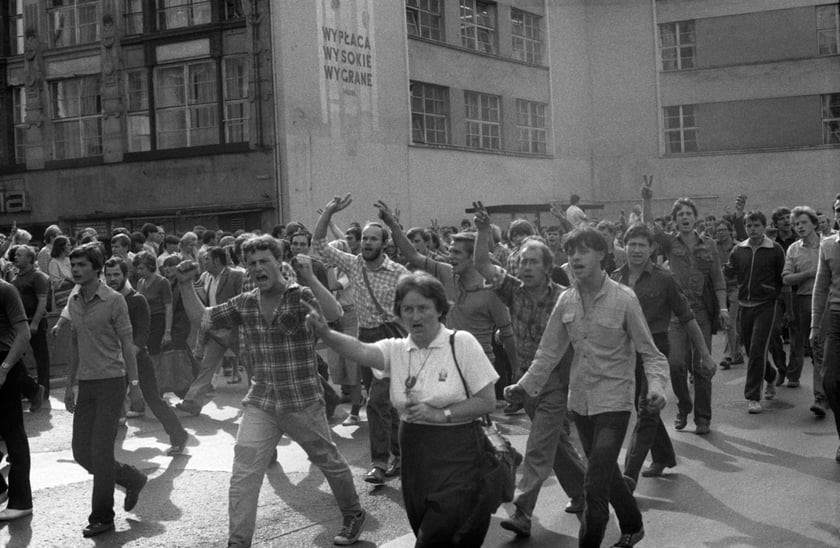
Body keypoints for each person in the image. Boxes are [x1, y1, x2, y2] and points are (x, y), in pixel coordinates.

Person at [175, 234, 366, 546]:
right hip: (261, 402)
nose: (258, 268)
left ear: (280, 262)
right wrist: (185, 285)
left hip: (301, 401)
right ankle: (238, 542)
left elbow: (334, 314)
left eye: (265, 261)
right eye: (252, 263)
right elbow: (204, 319)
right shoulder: (246, 302)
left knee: (328, 460)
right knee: (243, 474)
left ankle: (353, 513)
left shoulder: (299, 295)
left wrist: (309, 278)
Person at [504, 227, 668, 548]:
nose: (575, 258)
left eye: (583, 251)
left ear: (602, 255)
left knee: (594, 484)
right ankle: (633, 525)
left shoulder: (624, 299)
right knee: (604, 472)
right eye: (570, 252)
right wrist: (523, 387)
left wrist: (658, 387)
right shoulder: (566, 300)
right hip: (580, 402)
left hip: (615, 402)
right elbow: (548, 352)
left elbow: (650, 352)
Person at [308, 272, 498, 546]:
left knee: (440, 534)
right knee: (425, 523)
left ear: (440, 309)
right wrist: (326, 333)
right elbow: (361, 350)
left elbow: (486, 401)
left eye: (423, 308)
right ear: (398, 314)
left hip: (460, 454)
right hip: (414, 455)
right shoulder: (396, 349)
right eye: (408, 309)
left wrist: (440, 414)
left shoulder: (462, 342)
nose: (415, 316)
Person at [472, 203, 586, 536]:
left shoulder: (566, 297)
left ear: (548, 267)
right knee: (556, 445)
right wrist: (483, 229)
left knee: (538, 446)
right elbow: (481, 263)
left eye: (534, 261)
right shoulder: (513, 291)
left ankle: (523, 510)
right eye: (522, 261)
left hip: (555, 382)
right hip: (526, 384)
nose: (526, 267)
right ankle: (586, 491)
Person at [313, 194, 409, 486]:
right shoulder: (353, 264)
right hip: (365, 338)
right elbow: (318, 246)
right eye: (364, 239)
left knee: (379, 400)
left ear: (384, 244)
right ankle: (400, 455)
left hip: (391, 338)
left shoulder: (398, 272)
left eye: (373, 239)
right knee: (385, 402)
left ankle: (379, 463)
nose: (366, 243)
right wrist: (329, 212)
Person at [614, 224, 716, 491]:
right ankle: (664, 456)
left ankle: (629, 475)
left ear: (652, 249)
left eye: (642, 245)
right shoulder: (614, 279)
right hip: (625, 353)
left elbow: (687, 317)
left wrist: (704, 354)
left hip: (655, 351)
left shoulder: (665, 279)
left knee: (647, 408)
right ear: (624, 247)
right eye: (632, 244)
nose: (636, 250)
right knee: (643, 408)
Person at [64, 243, 148, 538]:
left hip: (113, 382)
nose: (75, 270)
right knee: (81, 452)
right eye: (73, 265)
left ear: (96, 269)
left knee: (100, 452)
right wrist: (69, 384)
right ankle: (132, 477)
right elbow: (75, 343)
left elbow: (127, 345)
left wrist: (134, 387)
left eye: (82, 265)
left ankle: (102, 517)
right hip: (86, 384)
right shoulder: (73, 298)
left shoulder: (114, 301)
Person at [643, 189, 728, 433]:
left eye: (689, 213)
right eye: (680, 214)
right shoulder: (670, 242)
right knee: (676, 363)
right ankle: (684, 404)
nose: (685, 217)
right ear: (675, 220)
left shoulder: (709, 245)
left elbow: (719, 279)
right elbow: (650, 226)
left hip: (701, 312)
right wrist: (647, 199)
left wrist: (722, 308)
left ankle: (703, 418)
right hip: (676, 313)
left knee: (702, 366)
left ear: (695, 218)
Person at [103, 257, 189, 455]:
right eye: (108, 275)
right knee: (109, 400)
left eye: (116, 274)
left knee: (153, 398)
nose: (112, 278)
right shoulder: (107, 300)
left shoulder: (137, 300)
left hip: (138, 359)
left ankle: (178, 435)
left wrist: (128, 355)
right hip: (114, 360)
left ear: (125, 275)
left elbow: (142, 335)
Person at [723, 211, 790, 414]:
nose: (753, 230)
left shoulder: (775, 250)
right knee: (752, 352)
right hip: (745, 305)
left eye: (757, 226)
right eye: (750, 226)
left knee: (758, 350)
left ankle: (752, 396)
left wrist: (785, 306)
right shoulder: (738, 250)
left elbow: (783, 280)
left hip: (766, 306)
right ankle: (770, 376)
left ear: (764, 227)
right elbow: (728, 273)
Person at [175, 247, 244, 415]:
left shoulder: (236, 276)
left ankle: (264, 400)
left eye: (206, 259)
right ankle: (193, 401)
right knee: (207, 366)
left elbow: (244, 302)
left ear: (217, 261)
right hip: (215, 328)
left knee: (251, 363)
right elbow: (196, 294)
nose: (202, 262)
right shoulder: (206, 277)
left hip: (235, 330)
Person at [782, 207, 823, 409]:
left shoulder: (829, 245)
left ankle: (820, 396)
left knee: (819, 346)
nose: (799, 227)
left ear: (814, 224)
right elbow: (787, 278)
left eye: (804, 222)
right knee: (798, 340)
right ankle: (793, 374)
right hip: (803, 298)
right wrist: (808, 273)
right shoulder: (793, 249)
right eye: (796, 224)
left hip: (825, 300)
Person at [810, 193, 840, 463]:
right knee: (830, 380)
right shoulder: (828, 246)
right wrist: (814, 326)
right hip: (836, 320)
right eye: (839, 210)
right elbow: (820, 288)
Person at [0, 278, 33, 521]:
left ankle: (21, 501)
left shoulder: (5, 290)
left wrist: (4, 368)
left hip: (5, 365)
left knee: (14, 435)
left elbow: (23, 333)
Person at [11, 245, 49, 401]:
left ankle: (43, 390)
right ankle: (28, 389)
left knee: (41, 357)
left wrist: (35, 323)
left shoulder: (38, 276)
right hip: (19, 323)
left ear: (29, 258)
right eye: (16, 255)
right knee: (15, 356)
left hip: (35, 322)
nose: (16, 257)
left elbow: (42, 301)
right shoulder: (15, 278)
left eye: (20, 255)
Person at [714, 219, 744, 370]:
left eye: (723, 230)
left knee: (729, 322)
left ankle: (728, 355)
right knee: (729, 324)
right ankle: (737, 352)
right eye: (718, 230)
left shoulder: (738, 247)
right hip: (719, 289)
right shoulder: (713, 247)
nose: (720, 233)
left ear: (730, 231)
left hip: (735, 288)